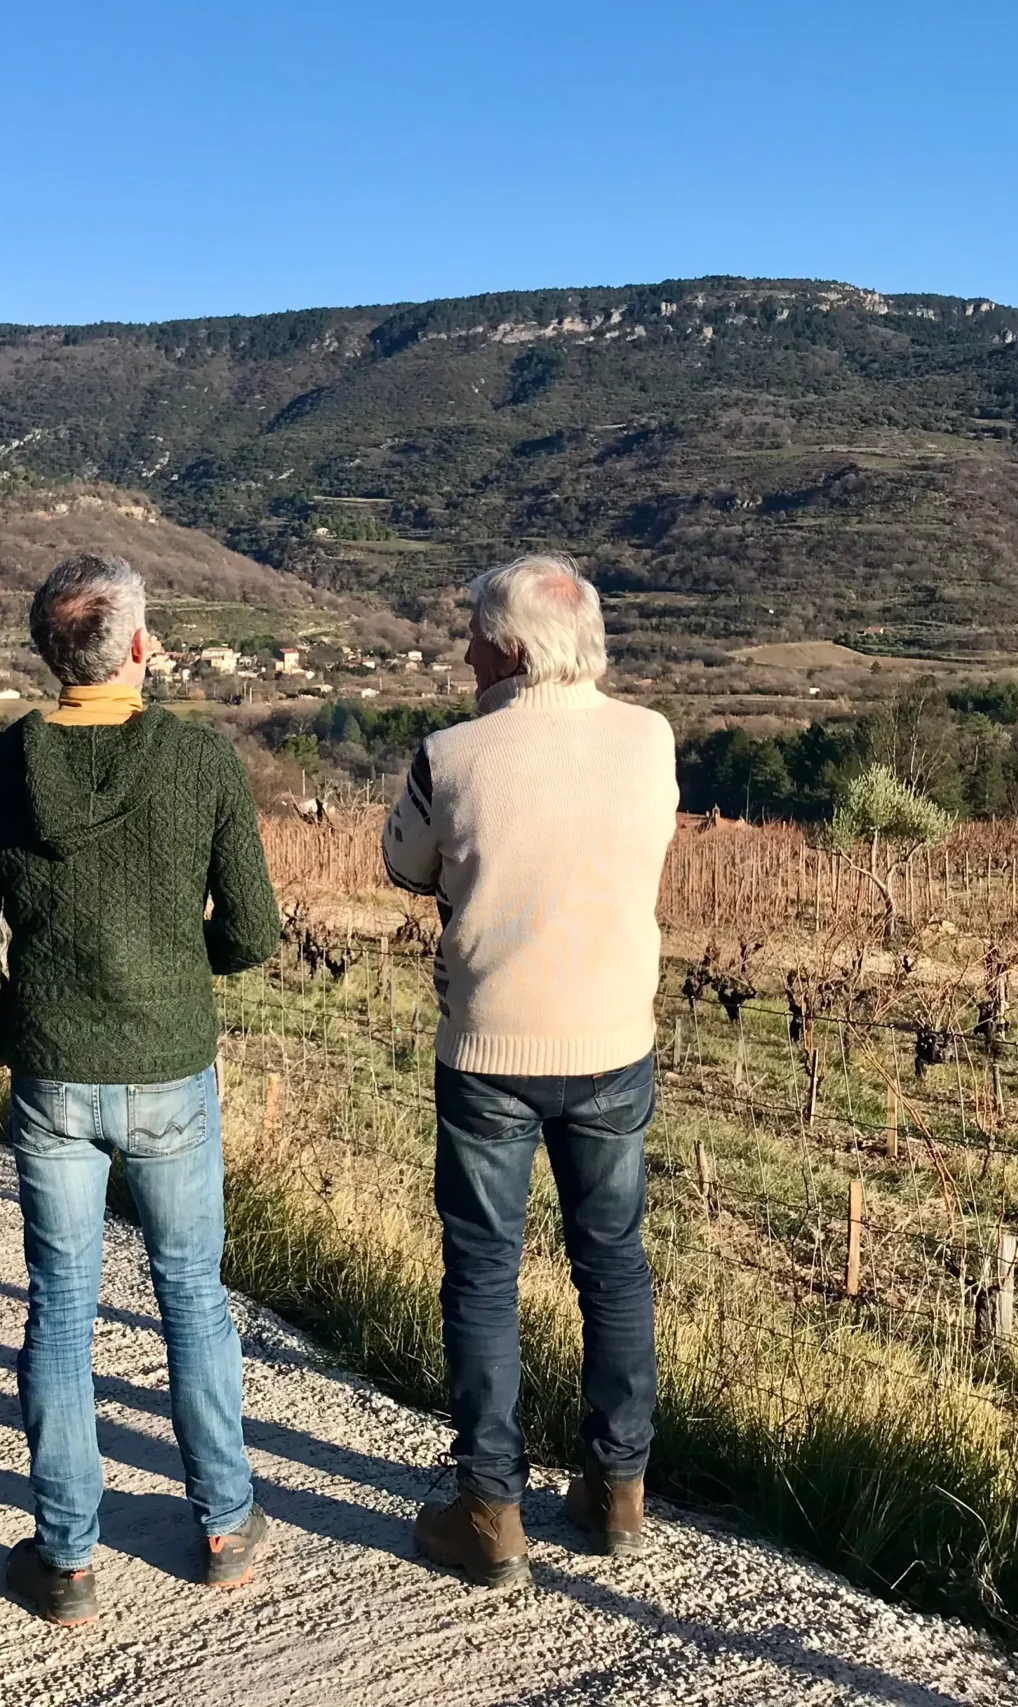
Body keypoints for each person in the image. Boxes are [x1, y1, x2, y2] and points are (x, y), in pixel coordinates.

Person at [0, 551, 280, 1627]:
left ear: (51, 653)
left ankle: (69, 1556)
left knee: (60, 1310)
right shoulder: (203, 762)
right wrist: (183, 982)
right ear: (137, 646)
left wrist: (17, 1034)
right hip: (170, 1066)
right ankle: (224, 1523)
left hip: (53, 1075)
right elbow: (256, 932)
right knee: (190, 1296)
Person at [381, 554, 678, 1588]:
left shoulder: (450, 755)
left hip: (488, 1053)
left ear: (508, 649)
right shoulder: (650, 740)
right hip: (612, 1041)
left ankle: (490, 1510)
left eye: (471, 633)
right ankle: (617, 1491)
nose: (461, 651)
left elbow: (402, 863)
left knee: (483, 1275)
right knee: (614, 1264)